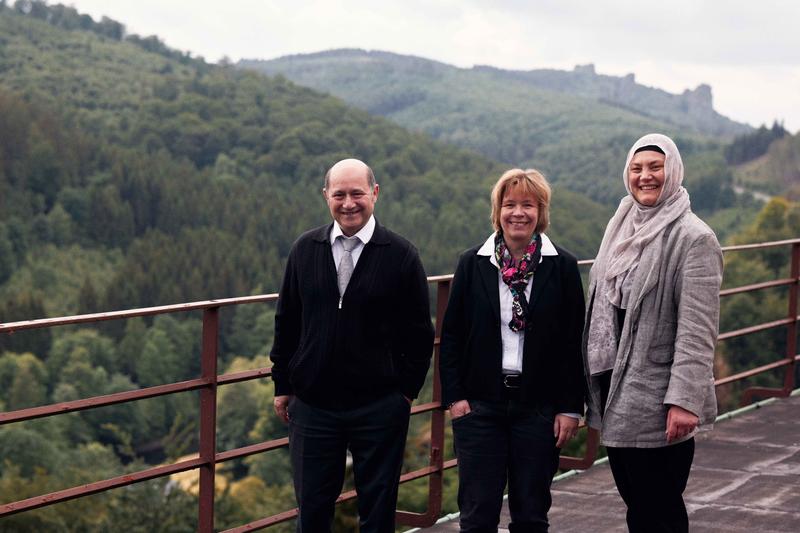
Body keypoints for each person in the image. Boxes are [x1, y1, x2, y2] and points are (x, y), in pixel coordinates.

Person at [270, 158, 435, 533]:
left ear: (374, 194)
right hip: (313, 406)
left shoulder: (401, 254)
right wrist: (283, 385)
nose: (348, 203)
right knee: (311, 510)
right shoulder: (305, 249)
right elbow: (287, 322)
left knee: (377, 512)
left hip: (379, 406)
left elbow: (419, 334)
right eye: (339, 194)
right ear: (326, 196)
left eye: (357, 193)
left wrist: (404, 394)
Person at [584, 133, 723, 533]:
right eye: (637, 168)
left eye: (655, 167)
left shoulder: (694, 238)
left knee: (658, 507)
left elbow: (697, 330)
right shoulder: (621, 225)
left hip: (659, 398)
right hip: (615, 392)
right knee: (637, 504)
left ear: (673, 171)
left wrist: (684, 400)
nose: (645, 176)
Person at [439, 168, 586, 533]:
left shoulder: (562, 266)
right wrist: (456, 399)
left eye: (528, 205)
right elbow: (452, 334)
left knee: (531, 516)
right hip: (479, 406)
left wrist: (570, 407)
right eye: (509, 204)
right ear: (497, 211)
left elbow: (574, 341)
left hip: (538, 408)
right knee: (477, 517)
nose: (518, 213)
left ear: (541, 212)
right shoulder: (472, 263)